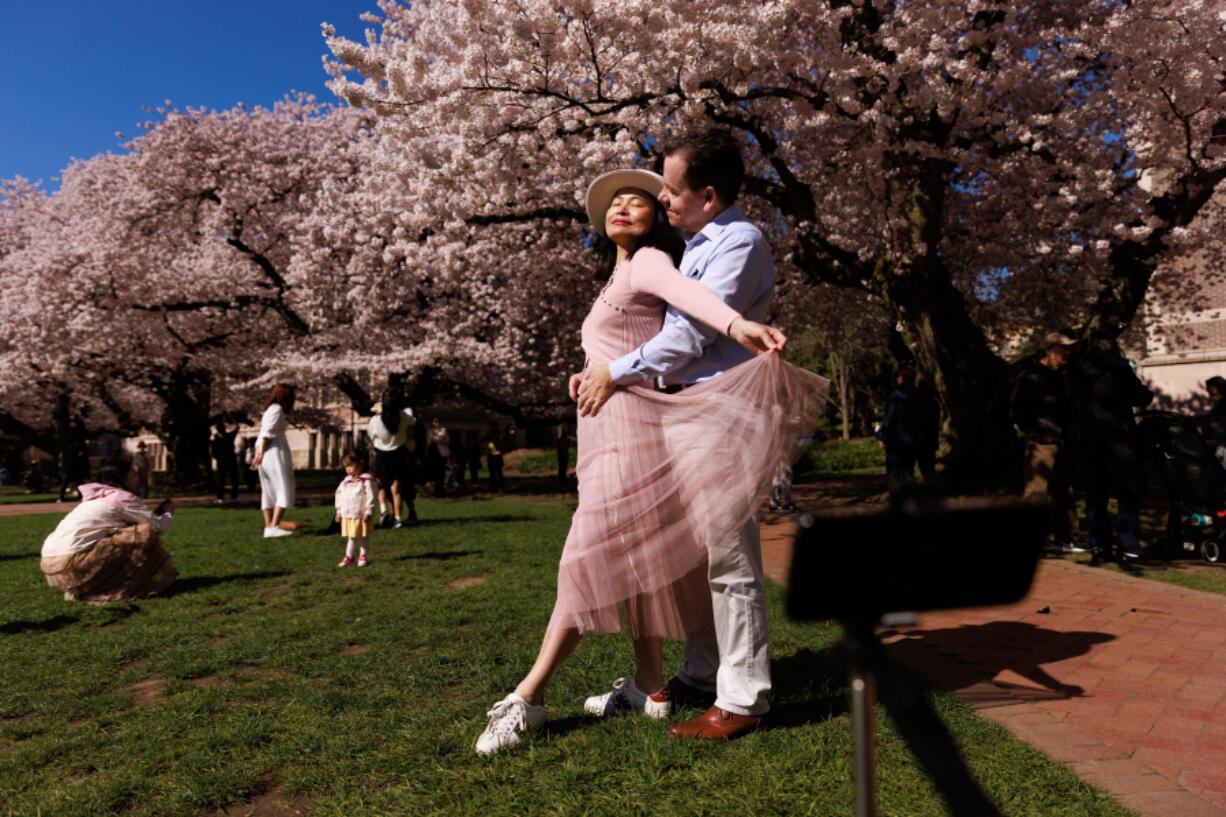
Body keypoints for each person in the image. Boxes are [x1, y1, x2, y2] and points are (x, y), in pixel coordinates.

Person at [475, 160, 827, 755]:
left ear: (656, 217)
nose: (623, 206)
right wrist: (587, 373)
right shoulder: (616, 277)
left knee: (586, 555)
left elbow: (690, 299)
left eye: (639, 200)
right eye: (612, 202)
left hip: (634, 433)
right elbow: (627, 345)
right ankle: (648, 685)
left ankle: (529, 696)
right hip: (610, 428)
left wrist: (737, 321)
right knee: (641, 557)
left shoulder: (650, 261)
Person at [577, 132, 827, 742]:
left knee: (728, 558)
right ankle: (703, 668)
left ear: (708, 195)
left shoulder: (738, 242)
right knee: (694, 556)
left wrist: (618, 370)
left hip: (721, 417)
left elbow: (690, 339)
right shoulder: (692, 249)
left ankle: (744, 698)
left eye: (671, 188)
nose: (662, 198)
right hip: (687, 414)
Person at [1065, 332, 1161, 569]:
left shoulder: (1072, 370)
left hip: (1088, 440)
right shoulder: (1117, 368)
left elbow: (1066, 403)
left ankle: (1100, 546)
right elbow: (1141, 396)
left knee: (1095, 495)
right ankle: (1129, 547)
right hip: (1118, 438)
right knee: (1127, 493)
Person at [39, 452, 177, 604]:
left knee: (125, 533)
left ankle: (84, 590)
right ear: (120, 477)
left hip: (52, 562)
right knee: (142, 534)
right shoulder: (123, 498)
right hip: (73, 560)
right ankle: (119, 589)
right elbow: (158, 526)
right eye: (132, 475)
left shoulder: (94, 498)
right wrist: (168, 511)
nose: (137, 479)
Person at [1010, 331, 1082, 552]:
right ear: (1050, 350)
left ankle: (1066, 538)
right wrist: (1035, 433)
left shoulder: (1064, 376)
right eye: (1063, 348)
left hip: (1062, 441)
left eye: (1069, 348)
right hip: (1042, 442)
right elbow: (1018, 410)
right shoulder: (1031, 377)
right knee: (1036, 491)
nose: (1068, 352)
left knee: (1064, 491)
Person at [877, 365, 940, 499]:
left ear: (900, 378)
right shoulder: (921, 395)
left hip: (897, 439)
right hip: (916, 439)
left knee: (894, 471)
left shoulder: (897, 394)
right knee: (909, 471)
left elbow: (890, 417)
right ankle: (913, 497)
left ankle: (896, 499)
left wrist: (883, 436)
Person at [251, 384, 296, 538]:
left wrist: (258, 453)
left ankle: (269, 526)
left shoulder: (270, 409)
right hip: (274, 451)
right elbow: (267, 434)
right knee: (283, 486)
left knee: (269, 490)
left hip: (266, 451)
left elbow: (263, 434)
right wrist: (260, 453)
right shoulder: (277, 409)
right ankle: (274, 525)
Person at [368, 397, 418, 528]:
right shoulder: (403, 418)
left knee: (381, 486)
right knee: (396, 490)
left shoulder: (375, 420)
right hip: (398, 454)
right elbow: (413, 420)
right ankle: (397, 519)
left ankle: (383, 510)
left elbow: (372, 436)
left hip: (382, 455)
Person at [334, 450, 377, 568]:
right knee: (351, 537)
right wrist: (339, 511)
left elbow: (371, 497)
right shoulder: (345, 482)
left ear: (361, 464)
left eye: (350, 465)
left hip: (361, 514)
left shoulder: (367, 481)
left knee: (363, 536)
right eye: (345, 466)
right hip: (349, 514)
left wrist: (369, 511)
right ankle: (349, 557)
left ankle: (363, 556)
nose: (348, 469)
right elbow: (339, 496)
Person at [211, 422, 240, 504]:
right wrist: (232, 419)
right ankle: (234, 497)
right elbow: (237, 427)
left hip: (222, 461)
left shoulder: (216, 438)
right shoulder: (229, 435)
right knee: (233, 479)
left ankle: (220, 497)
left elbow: (213, 452)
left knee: (222, 480)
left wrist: (217, 457)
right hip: (231, 460)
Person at [425, 417, 450, 497]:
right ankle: (435, 490)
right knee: (434, 473)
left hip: (441, 454)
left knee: (441, 472)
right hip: (433, 453)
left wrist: (437, 441)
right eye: (435, 421)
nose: (436, 423)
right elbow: (428, 442)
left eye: (438, 421)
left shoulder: (443, 430)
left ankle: (441, 490)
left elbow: (447, 442)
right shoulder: (430, 431)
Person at [484, 423, 505, 492]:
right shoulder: (489, 435)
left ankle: (500, 487)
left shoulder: (499, 434)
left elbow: (501, 443)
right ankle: (493, 487)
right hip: (490, 456)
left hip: (497, 456)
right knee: (492, 473)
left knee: (499, 473)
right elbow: (483, 441)